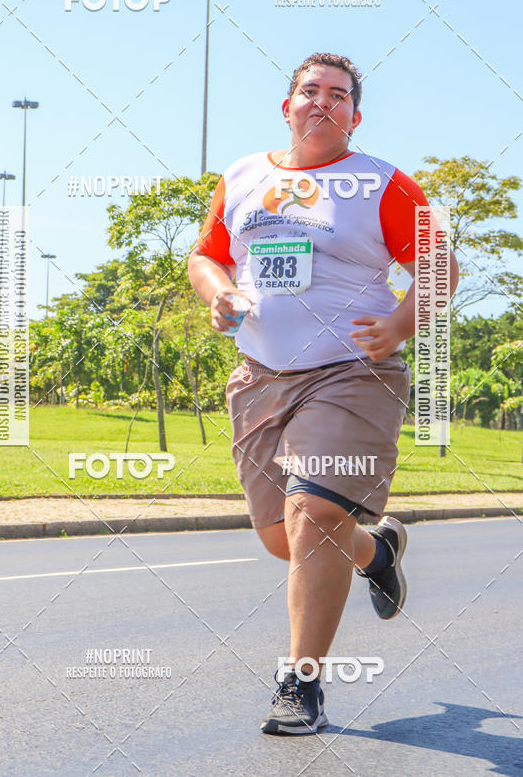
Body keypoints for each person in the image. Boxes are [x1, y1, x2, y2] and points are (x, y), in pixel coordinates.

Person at [187, 52, 458, 735]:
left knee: (314, 513)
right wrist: (219, 293)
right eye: (310, 91)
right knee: (287, 539)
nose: (322, 103)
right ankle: (379, 551)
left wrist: (398, 324)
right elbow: (206, 255)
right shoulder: (244, 176)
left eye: (338, 96)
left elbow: (439, 266)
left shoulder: (382, 184)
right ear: (288, 107)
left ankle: (299, 685)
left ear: (354, 116)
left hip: (351, 374)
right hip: (260, 376)